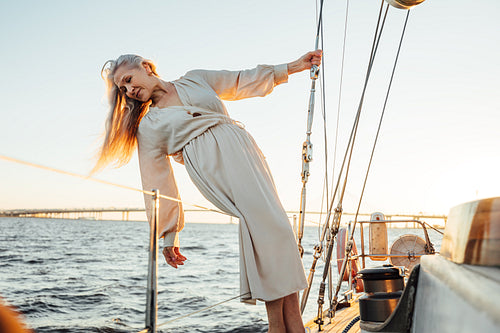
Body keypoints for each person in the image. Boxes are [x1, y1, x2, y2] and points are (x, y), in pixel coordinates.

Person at [94, 50, 322, 333]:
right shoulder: (149, 126)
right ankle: (278, 327)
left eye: (128, 80)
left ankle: (293, 326)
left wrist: (293, 67)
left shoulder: (194, 79)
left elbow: (239, 81)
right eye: (123, 89)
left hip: (246, 153)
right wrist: (169, 234)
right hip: (215, 168)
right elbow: (156, 180)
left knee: (277, 232)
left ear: (145, 66)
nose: (129, 90)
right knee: (266, 231)